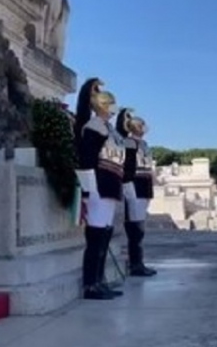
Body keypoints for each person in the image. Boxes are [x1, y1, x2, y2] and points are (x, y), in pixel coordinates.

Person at [74, 78, 125, 300]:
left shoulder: (109, 129)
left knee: (105, 234)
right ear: (102, 106)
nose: (114, 108)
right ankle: (90, 284)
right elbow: (87, 159)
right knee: (95, 237)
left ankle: (100, 279)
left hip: (111, 185)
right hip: (98, 186)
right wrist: (89, 189)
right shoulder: (93, 127)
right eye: (110, 103)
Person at [116, 108, 157, 277]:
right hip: (135, 185)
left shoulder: (144, 144)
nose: (144, 128)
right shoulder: (129, 143)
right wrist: (128, 187)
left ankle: (139, 262)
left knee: (140, 227)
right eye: (141, 125)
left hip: (145, 185)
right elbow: (128, 167)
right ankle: (135, 264)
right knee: (135, 229)